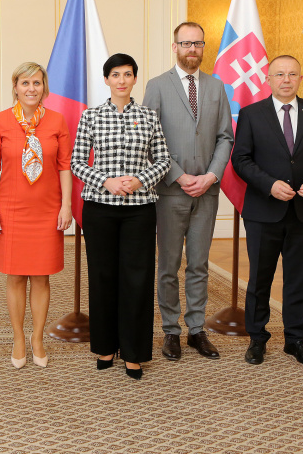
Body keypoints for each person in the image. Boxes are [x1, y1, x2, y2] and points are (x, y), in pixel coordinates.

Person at [232, 55, 303, 367]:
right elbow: (241, 159)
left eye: (292, 74)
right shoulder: (252, 114)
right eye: (279, 74)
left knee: (298, 278)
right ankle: (257, 339)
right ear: (268, 79)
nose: (286, 80)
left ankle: (295, 339)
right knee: (260, 278)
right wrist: (269, 185)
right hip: (263, 211)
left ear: (301, 79)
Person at [71, 53, 171, 379]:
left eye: (128, 74)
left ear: (134, 79)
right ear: (106, 80)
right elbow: (76, 163)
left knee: (137, 279)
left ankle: (133, 351)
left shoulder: (149, 116)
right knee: (102, 277)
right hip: (99, 208)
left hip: (139, 210)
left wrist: (141, 179)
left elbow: (164, 161)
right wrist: (106, 181)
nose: (122, 80)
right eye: (116, 74)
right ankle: (105, 346)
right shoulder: (91, 117)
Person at [143, 21, 234, 361]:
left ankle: (197, 329)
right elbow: (149, 140)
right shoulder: (157, 86)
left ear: (204, 47)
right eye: (185, 43)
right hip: (171, 192)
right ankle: (171, 331)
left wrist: (211, 176)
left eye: (197, 43)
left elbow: (225, 136)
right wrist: (180, 177)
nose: (192, 49)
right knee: (168, 265)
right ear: (175, 47)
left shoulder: (216, 86)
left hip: (207, 192)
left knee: (199, 264)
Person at [0, 62, 73, 369]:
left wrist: (66, 206)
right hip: (10, 208)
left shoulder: (58, 121)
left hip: (47, 209)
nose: (31, 88)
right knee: (15, 274)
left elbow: (64, 166)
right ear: (16, 87)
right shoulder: (0, 121)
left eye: (37, 83)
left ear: (44, 87)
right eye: (25, 83)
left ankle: (37, 338)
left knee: (41, 275)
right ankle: (18, 337)